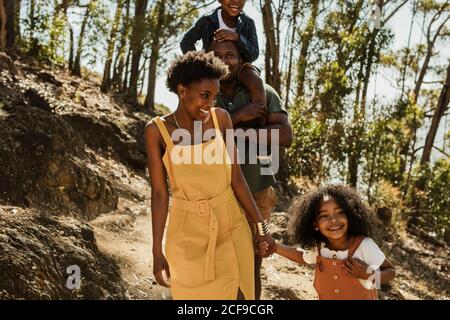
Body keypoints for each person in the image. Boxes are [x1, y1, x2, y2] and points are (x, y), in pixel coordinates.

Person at [144, 51, 275, 300]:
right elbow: (160, 194)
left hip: (231, 225)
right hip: (186, 234)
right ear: (182, 91)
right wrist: (156, 249)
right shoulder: (156, 131)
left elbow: (237, 178)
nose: (210, 104)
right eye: (205, 95)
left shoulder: (221, 119)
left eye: (214, 97)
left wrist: (260, 228)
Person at [208, 39, 293, 300]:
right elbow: (202, 135)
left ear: (242, 59)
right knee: (216, 258)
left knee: (253, 258)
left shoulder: (264, 92)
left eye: (230, 54)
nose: (224, 60)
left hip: (256, 188)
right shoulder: (205, 92)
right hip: (215, 189)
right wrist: (242, 115)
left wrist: (240, 132)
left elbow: (285, 136)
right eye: (218, 54)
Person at [259, 185, 396, 300]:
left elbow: (390, 272)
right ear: (315, 224)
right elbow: (302, 256)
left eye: (340, 213)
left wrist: (367, 274)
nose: (333, 220)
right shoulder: (320, 248)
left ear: (351, 216)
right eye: (324, 216)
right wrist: (276, 248)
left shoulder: (364, 245)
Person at [180, 0, 267, 126]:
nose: (235, 1)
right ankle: (202, 125)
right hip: (214, 67)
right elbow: (186, 42)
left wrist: (237, 38)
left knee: (255, 80)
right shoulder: (207, 20)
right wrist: (202, 63)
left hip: (239, 67)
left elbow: (254, 53)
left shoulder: (248, 23)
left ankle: (261, 119)